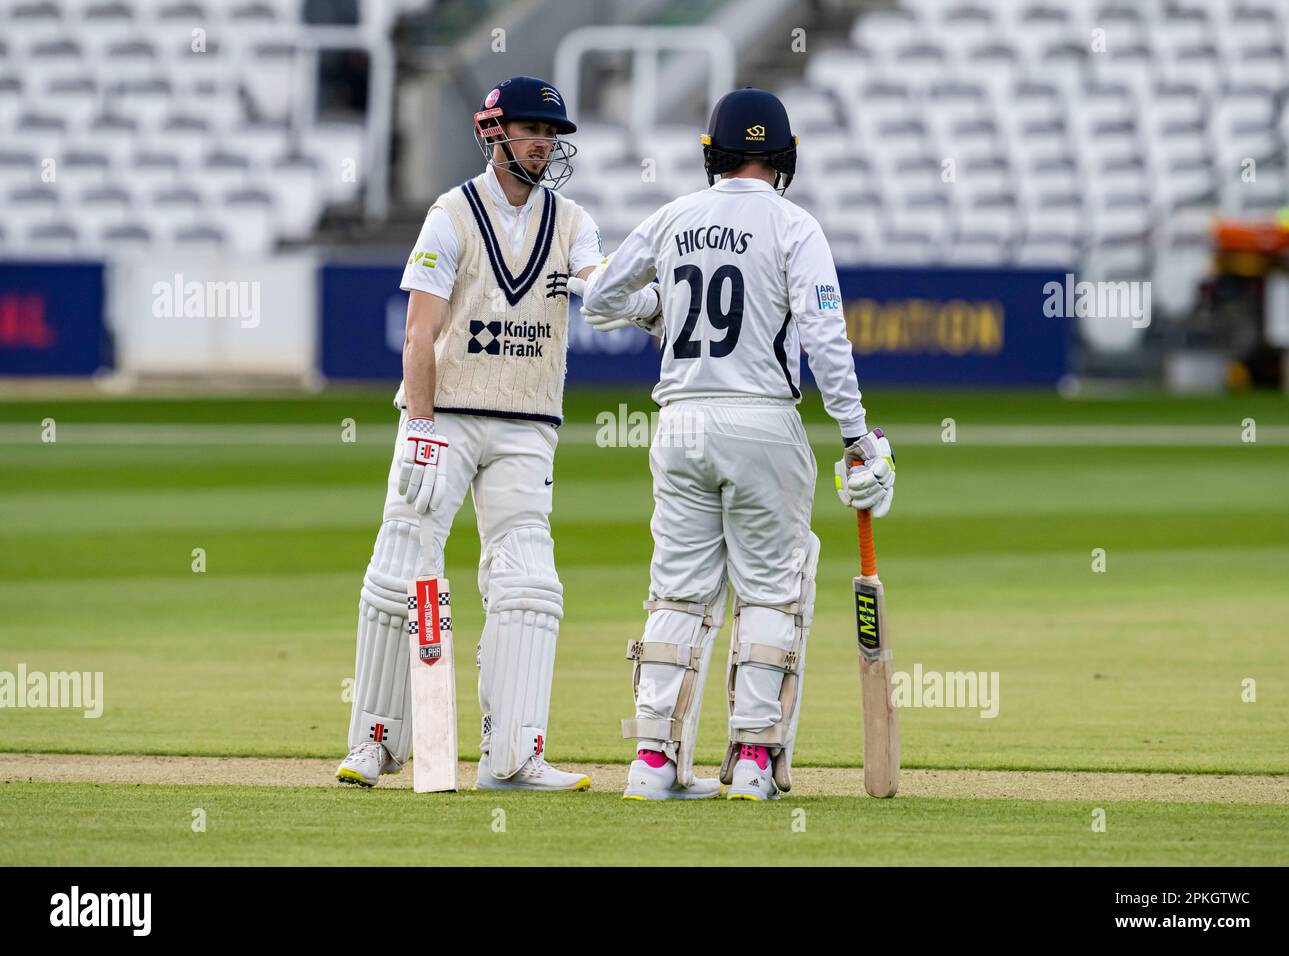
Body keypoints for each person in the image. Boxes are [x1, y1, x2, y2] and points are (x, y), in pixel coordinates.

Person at [571, 87, 897, 801]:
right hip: (760, 422)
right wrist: (854, 438)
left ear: (711, 152)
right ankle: (752, 761)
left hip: (680, 422)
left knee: (678, 595)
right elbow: (824, 338)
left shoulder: (673, 216)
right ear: (783, 158)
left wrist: (659, 309)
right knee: (771, 595)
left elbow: (597, 303)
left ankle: (652, 763)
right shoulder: (795, 225)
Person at [336, 76, 608, 792]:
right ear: (494, 133)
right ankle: (375, 741)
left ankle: (513, 756)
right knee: (402, 565)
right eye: (530, 130)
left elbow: (597, 280)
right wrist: (420, 428)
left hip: (528, 423)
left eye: (551, 132)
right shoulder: (450, 215)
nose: (545, 143)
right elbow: (419, 331)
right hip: (446, 418)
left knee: (528, 585)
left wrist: (635, 292)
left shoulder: (574, 220)